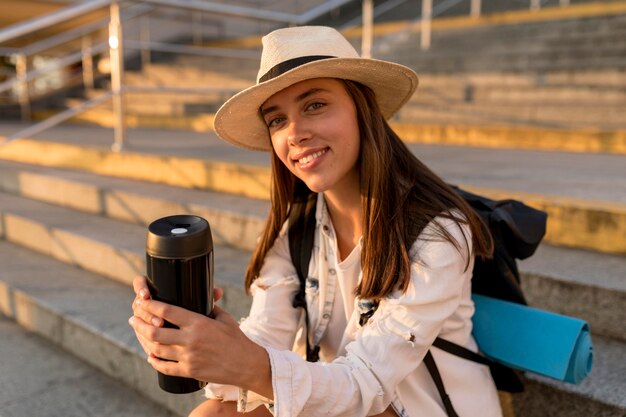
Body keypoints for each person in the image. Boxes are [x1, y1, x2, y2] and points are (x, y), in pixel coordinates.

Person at [129, 26, 503, 417]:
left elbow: (369, 385)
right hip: (344, 397)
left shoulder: (438, 233)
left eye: (314, 105)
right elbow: (265, 336)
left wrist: (247, 363)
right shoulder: (299, 228)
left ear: (363, 108)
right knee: (212, 414)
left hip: (423, 406)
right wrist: (201, 341)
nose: (294, 133)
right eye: (276, 120)